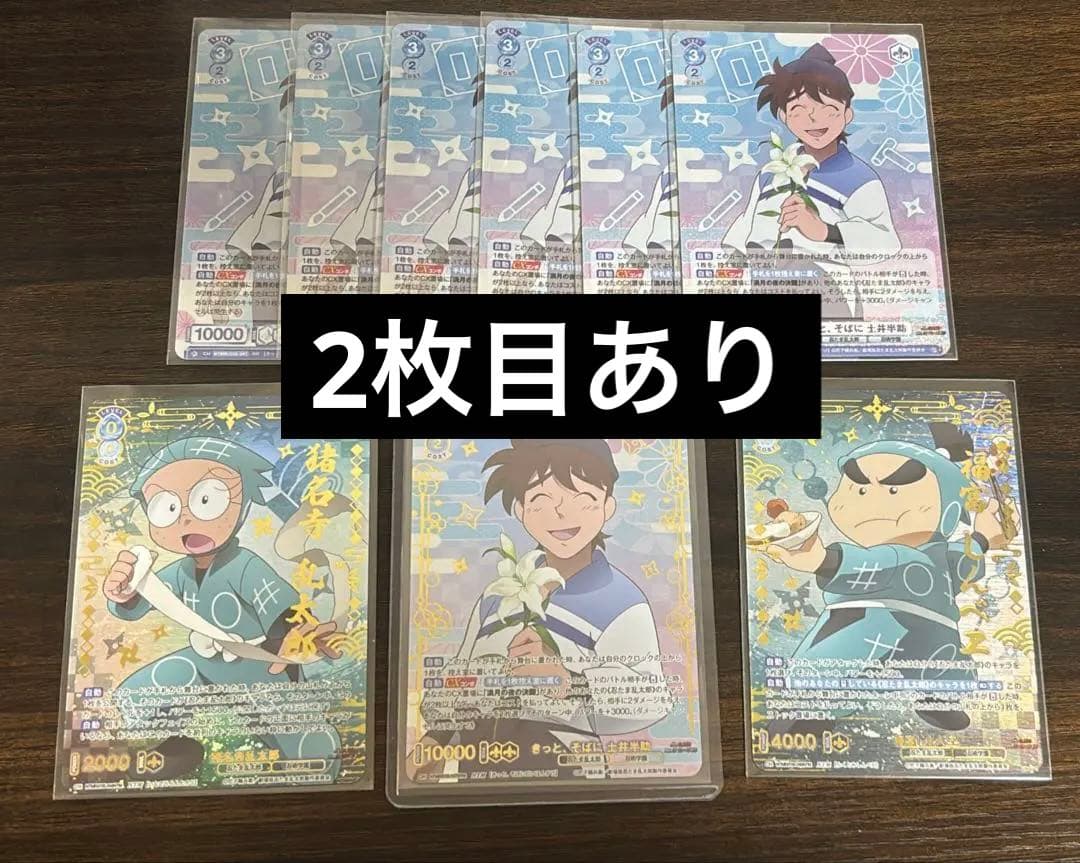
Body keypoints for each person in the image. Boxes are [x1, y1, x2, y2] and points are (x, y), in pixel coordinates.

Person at [412, 439, 673, 779]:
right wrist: (435, 741)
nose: (561, 513)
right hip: (479, 770)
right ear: (521, 509)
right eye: (541, 500)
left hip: (568, 769)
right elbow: (464, 682)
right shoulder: (498, 596)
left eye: (583, 498)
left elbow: (653, 698)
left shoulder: (623, 601)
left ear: (607, 506)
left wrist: (568, 681)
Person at [103, 436, 341, 780]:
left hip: (261, 668)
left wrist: (296, 637)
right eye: (167, 508)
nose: (186, 520)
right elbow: (145, 600)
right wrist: (124, 592)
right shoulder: (180, 572)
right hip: (205, 662)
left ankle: (312, 771)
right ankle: (155, 753)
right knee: (138, 692)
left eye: (206, 501)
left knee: (305, 739)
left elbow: (281, 608)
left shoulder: (245, 566)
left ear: (241, 501)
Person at [767, 423, 1008, 730]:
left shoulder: (918, 556)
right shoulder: (906, 557)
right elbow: (869, 563)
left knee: (941, 669)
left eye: (893, 490)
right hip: (895, 631)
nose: (870, 502)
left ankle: (938, 700)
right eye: (859, 489)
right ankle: (808, 717)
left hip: (896, 629)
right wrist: (821, 559)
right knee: (822, 678)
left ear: (948, 513)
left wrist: (984, 538)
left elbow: (960, 562)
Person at [722, 43, 901, 318]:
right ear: (784, 116)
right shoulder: (772, 173)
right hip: (764, 282)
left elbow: (886, 241)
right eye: (799, 109)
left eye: (828, 108)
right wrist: (731, 265)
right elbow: (747, 224)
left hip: (827, 293)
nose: (813, 118)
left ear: (847, 114)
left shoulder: (859, 178)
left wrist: (825, 231)